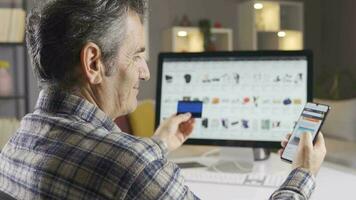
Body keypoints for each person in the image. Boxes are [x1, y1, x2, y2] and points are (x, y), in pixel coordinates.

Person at [0, 0, 326, 199]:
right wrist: (302, 174)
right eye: (138, 55)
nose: (145, 72)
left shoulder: (16, 143)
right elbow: (125, 167)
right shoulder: (131, 167)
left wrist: (158, 144)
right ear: (93, 63)